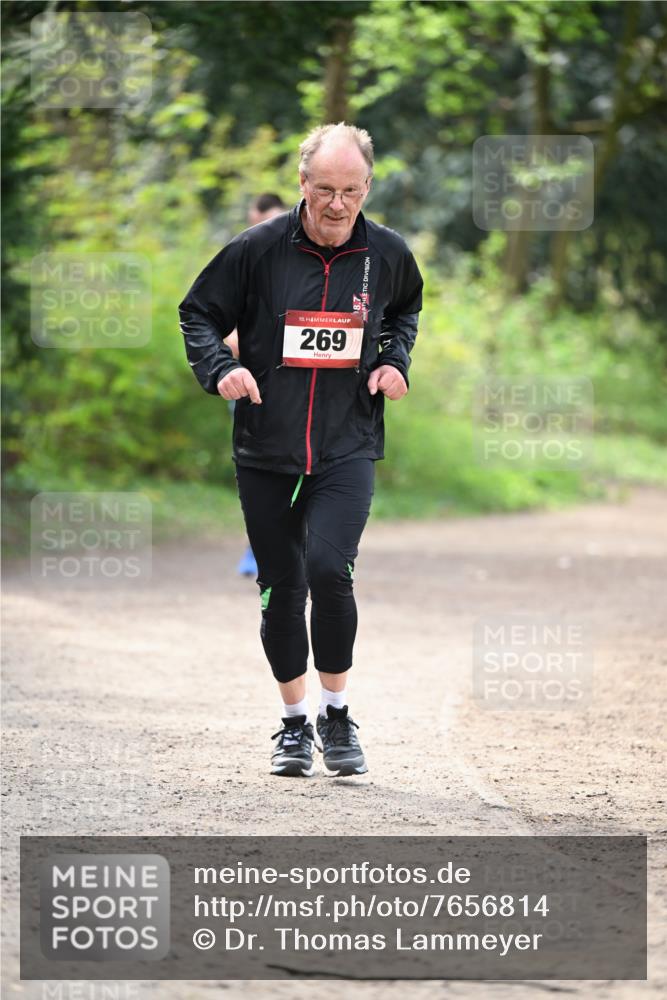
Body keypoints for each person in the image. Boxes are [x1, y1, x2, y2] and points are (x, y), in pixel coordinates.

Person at [179, 123, 423, 778]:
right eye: (324, 190)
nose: (337, 204)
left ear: (367, 186)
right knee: (280, 588)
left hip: (347, 444)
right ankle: (292, 725)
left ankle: (335, 716)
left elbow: (404, 311)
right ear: (302, 184)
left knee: (327, 568)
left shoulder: (387, 254)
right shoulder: (255, 250)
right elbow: (197, 312)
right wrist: (218, 370)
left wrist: (394, 361)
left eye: (349, 191)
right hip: (266, 446)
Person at [225, 194, 287, 577]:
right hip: (252, 388)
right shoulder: (242, 258)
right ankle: (256, 547)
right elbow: (224, 331)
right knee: (262, 472)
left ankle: (297, 545)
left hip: (300, 387)